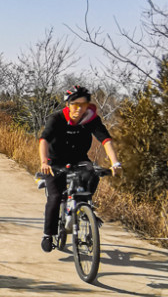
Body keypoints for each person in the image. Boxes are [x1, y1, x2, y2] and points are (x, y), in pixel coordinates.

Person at [38, 85, 121, 252]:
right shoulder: (57, 119)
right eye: (75, 104)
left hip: (80, 159)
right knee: (54, 197)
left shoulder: (91, 119)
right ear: (68, 104)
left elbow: (106, 140)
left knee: (93, 173)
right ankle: (48, 234)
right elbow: (44, 140)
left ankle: (84, 207)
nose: (79, 108)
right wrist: (44, 162)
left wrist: (115, 163)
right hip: (55, 162)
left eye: (83, 105)